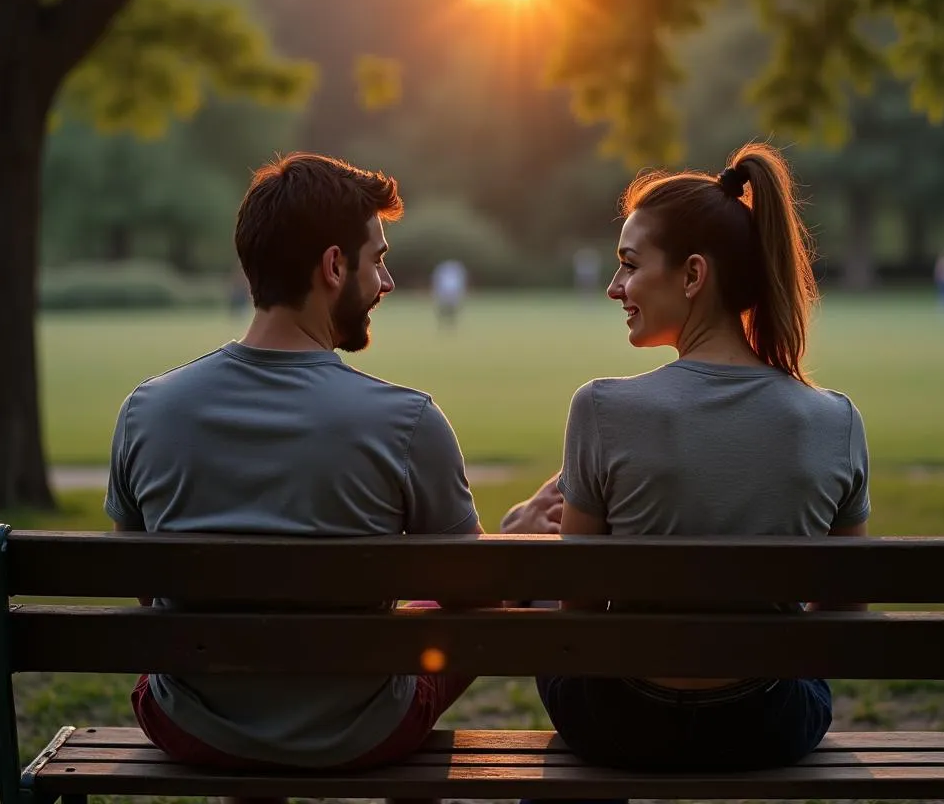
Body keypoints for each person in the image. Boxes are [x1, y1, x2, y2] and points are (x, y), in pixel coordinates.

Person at [104, 153, 493, 793]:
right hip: (363, 733)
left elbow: (149, 595)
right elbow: (475, 600)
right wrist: (506, 536)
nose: (387, 281)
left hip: (196, 729)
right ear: (334, 266)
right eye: (378, 260)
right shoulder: (408, 422)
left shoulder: (147, 412)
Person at [535, 143, 871, 777]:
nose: (614, 288)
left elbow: (574, 613)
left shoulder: (602, 409)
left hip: (621, 722)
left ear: (693, 276)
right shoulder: (837, 420)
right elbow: (844, 613)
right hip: (768, 725)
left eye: (629, 266)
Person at [431, 258, 468, 328]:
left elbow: (461, 283)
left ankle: (451, 322)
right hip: (445, 292)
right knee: (443, 308)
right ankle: (443, 322)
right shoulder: (442, 271)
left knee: (452, 309)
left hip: (453, 292)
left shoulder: (457, 272)